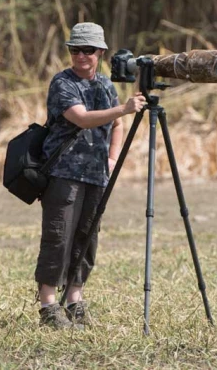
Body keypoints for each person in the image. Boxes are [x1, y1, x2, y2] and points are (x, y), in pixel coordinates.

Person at [35, 22, 147, 329]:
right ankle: (48, 305)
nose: (81, 56)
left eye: (88, 50)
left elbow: (116, 126)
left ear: (100, 52)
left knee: (86, 237)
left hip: (96, 175)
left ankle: (74, 299)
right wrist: (124, 109)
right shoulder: (63, 83)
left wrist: (112, 158)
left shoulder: (105, 86)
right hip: (63, 173)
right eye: (75, 50)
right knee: (58, 237)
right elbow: (82, 119)